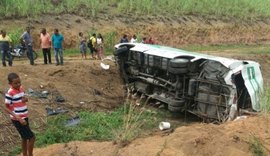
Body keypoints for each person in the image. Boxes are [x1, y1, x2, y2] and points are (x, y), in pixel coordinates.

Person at [4, 73, 35, 156]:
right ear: (10, 84)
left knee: (24, 138)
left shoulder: (21, 89)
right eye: (15, 83)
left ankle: (25, 154)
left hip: (25, 116)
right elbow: (7, 108)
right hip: (18, 119)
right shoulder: (10, 93)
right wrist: (18, 118)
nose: (18, 84)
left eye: (19, 82)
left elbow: (22, 99)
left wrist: (25, 99)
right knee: (32, 137)